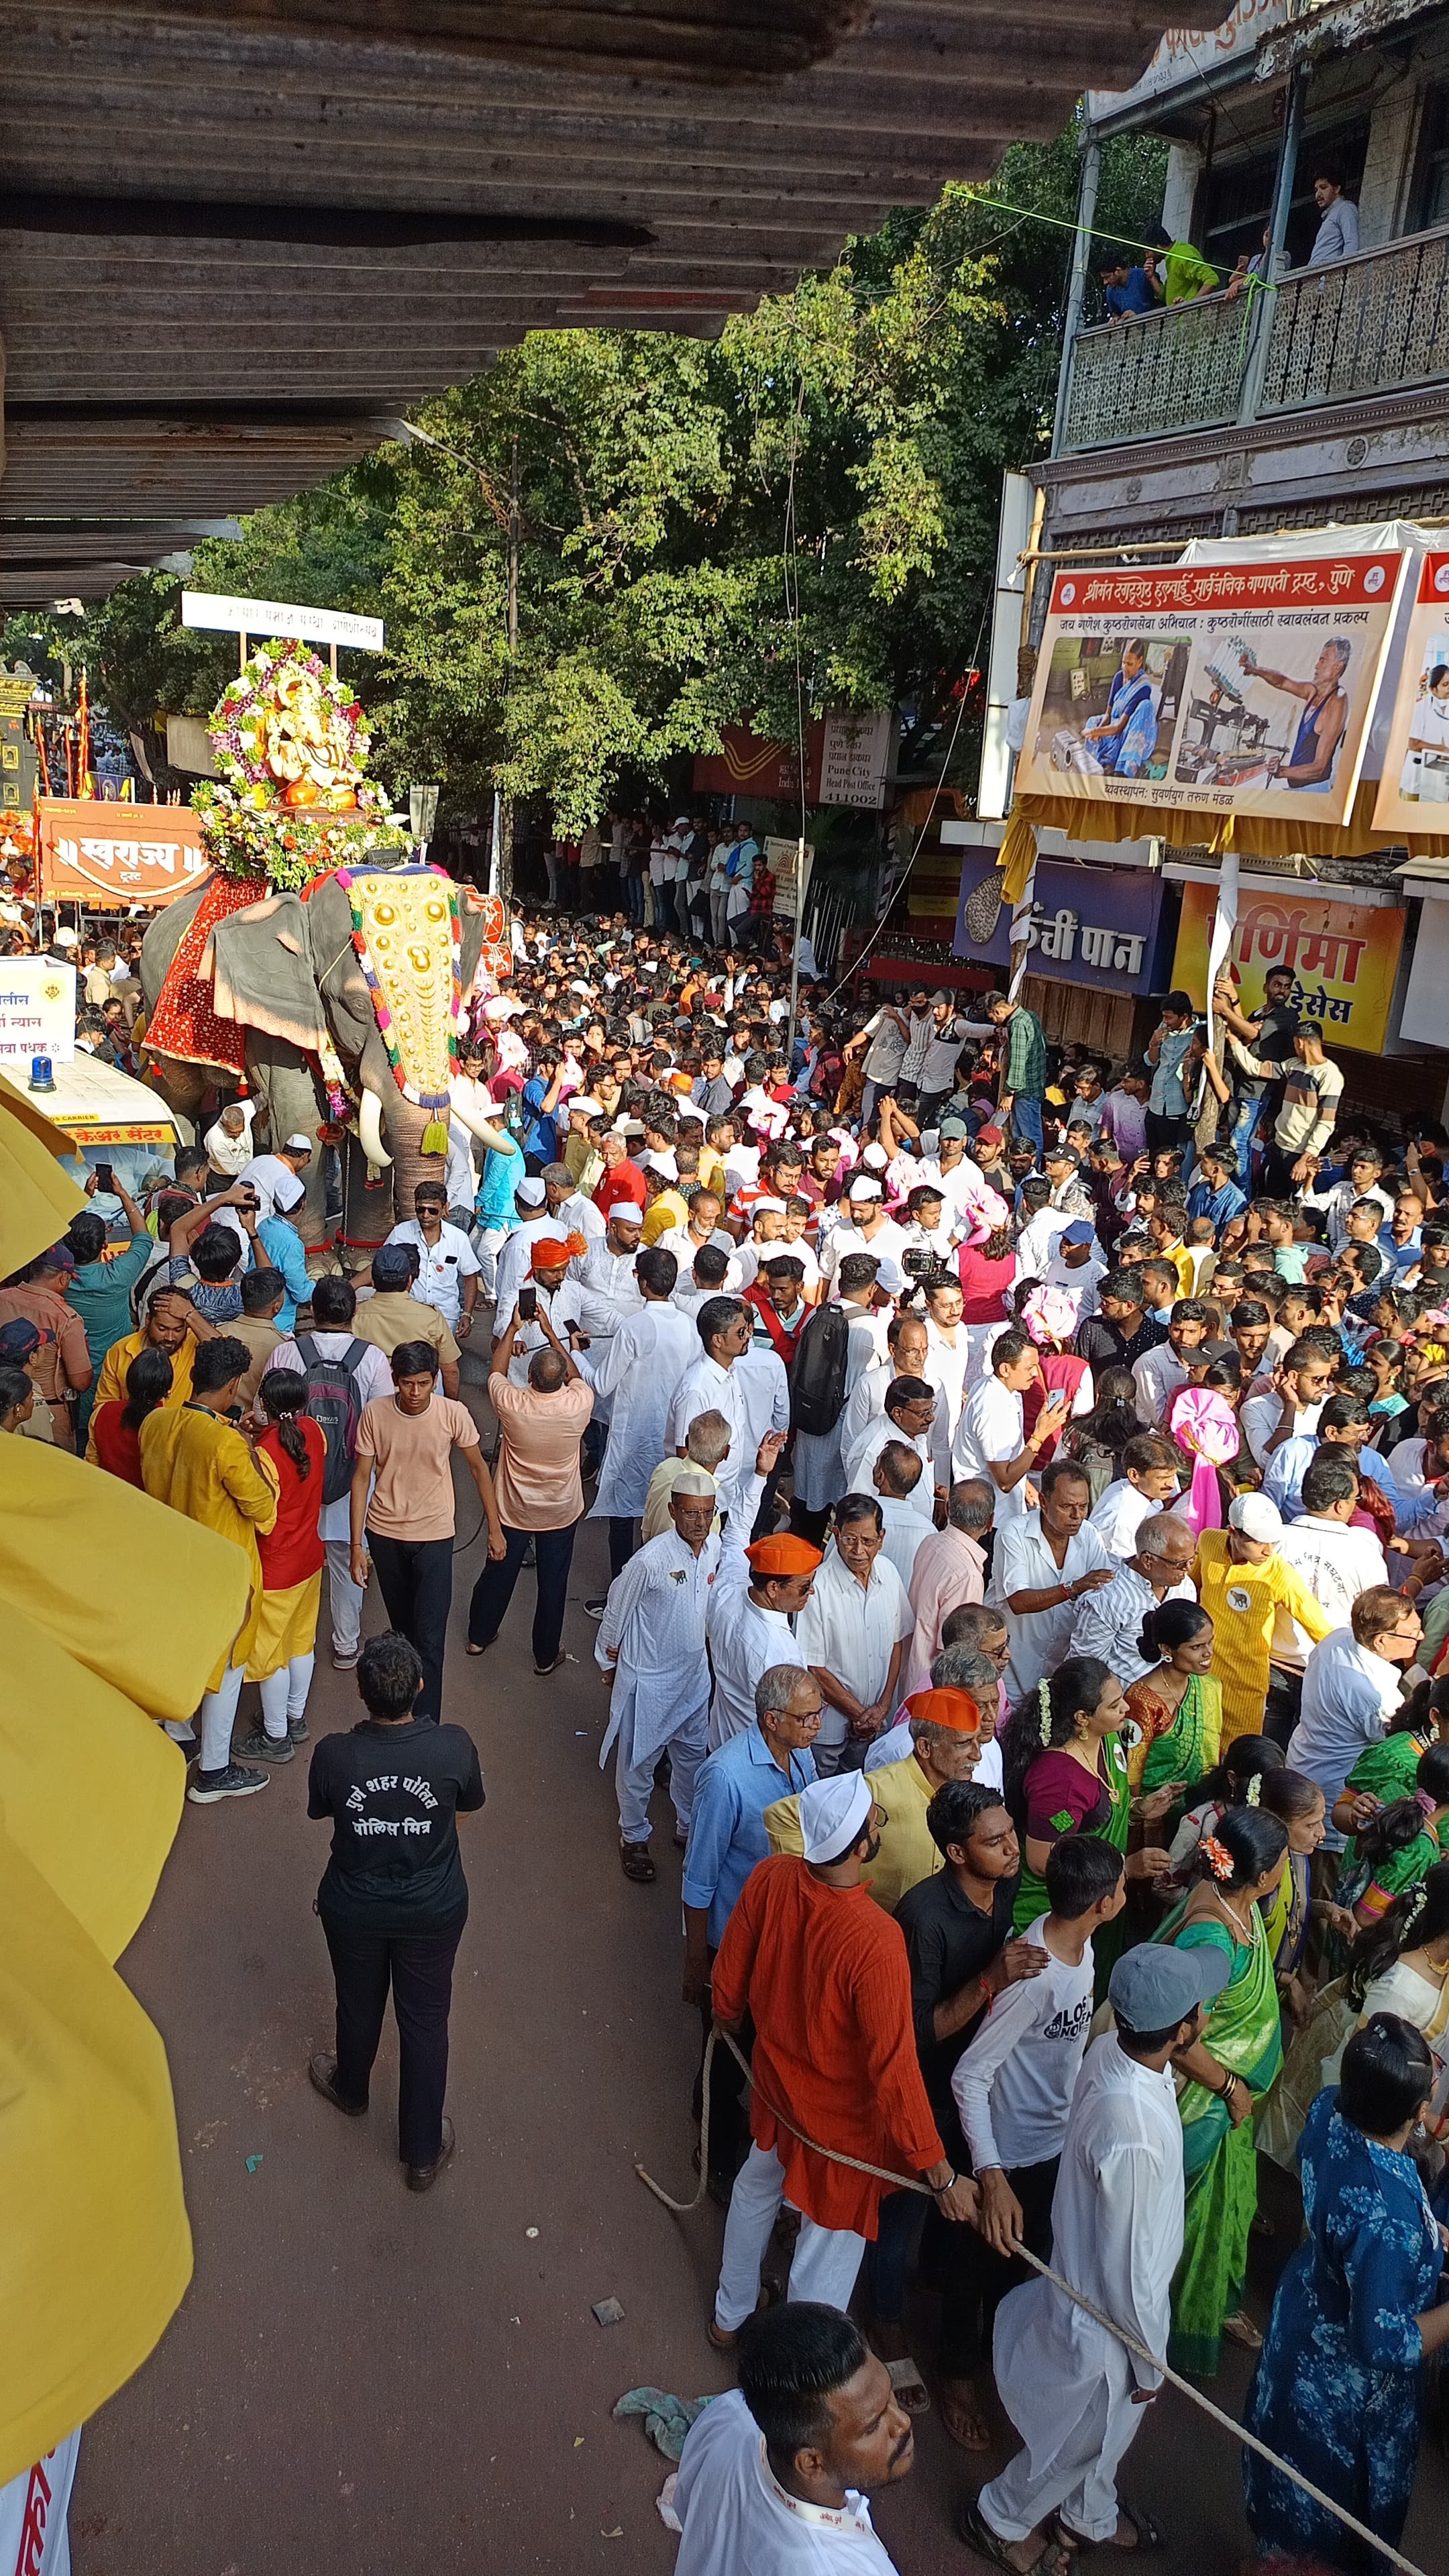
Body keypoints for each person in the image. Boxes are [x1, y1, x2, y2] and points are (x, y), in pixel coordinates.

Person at [964, 1941, 1231, 2570]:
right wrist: (1148, 2360)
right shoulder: (1132, 2131)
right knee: (1080, 2439)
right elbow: (1129, 2271)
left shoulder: (1114, 2049)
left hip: (1089, 2285)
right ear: (1183, 2031)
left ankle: (1087, 2515)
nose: (1208, 2011)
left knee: (1105, 2435)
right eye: (1201, 2006)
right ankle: (998, 2519)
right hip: (1112, 2324)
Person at [708, 1771, 977, 2347]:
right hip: (841, 2133)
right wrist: (939, 2170)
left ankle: (729, 2318)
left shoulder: (772, 1875)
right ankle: (798, 2376)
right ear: (860, 1846)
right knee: (825, 2252)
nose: (880, 1825)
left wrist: (726, 2013)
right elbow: (894, 2070)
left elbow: (730, 1971)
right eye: (876, 1820)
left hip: (775, 2092)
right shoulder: (875, 1939)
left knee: (755, 2191)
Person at [1244, 2016, 1449, 2573]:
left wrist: (1430, 2233)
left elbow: (1359, 2214)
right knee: (1326, 2519)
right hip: (1343, 2386)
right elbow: (1383, 2344)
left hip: (1304, 2313)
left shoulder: (1329, 2109)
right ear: (1418, 2113)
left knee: (1282, 2470)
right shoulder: (1389, 2221)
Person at [305, 1632, 484, 2192]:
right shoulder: (454, 1747)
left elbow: (322, 1811)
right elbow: (466, 1807)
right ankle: (422, 2153)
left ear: (361, 1692)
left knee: (357, 2002)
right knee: (425, 2021)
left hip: (354, 1905)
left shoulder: (334, 1755)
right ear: (420, 1687)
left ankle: (351, 2089)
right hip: (434, 1907)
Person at [1153, 1803, 1291, 2373]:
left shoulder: (1234, 1900)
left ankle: (1218, 2306)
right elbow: (1178, 2038)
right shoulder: (1213, 1938)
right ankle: (1176, 2325)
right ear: (1262, 1875)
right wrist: (1233, 2086)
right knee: (1193, 2227)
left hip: (1227, 2108)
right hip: (1204, 2106)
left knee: (1228, 2210)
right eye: (1284, 1860)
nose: (1288, 1868)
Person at [682, 1663, 822, 2196]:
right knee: (725, 2045)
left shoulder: (802, 1758)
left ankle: (715, 2111)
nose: (816, 1726)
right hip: (733, 1942)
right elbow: (699, 1878)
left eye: (817, 1715)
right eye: (806, 1717)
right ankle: (714, 2153)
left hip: (780, 1935)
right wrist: (698, 1962)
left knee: (756, 2044)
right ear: (772, 1720)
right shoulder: (725, 1777)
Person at [672, 2303, 914, 2576]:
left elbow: (685, 2504)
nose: (903, 2422)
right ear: (812, 2463)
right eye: (873, 2426)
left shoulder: (730, 2415)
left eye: (889, 2394)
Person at [140, 1333, 280, 1805]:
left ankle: (179, 1733)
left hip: (171, 1561)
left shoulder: (156, 1422)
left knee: (180, 1650)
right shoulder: (225, 1442)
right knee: (228, 1666)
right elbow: (264, 1510)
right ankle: (215, 1770)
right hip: (224, 1571)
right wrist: (252, 1450)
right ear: (234, 1384)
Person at [350, 1341, 503, 1722]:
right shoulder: (375, 1413)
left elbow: (479, 1469)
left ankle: (427, 1724)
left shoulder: (453, 1414)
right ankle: (400, 1716)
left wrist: (495, 1528)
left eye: (423, 1383)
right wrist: (356, 1545)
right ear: (395, 1380)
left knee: (431, 1639)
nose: (415, 1392)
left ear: (435, 1380)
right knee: (403, 1634)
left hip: (435, 1536)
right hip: (384, 1534)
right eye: (407, 1383)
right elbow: (361, 1478)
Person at [594, 1470, 724, 1881]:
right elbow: (617, 1609)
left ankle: (688, 1825)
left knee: (691, 1761)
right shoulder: (649, 1561)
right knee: (638, 1765)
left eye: (707, 1513)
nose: (700, 1522)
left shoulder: (714, 1548)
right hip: (649, 1683)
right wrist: (610, 1664)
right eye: (690, 1513)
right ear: (673, 1511)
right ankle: (633, 1836)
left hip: (694, 1681)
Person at [262, 1275, 394, 1672]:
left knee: (289, 1562)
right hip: (350, 1483)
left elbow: (263, 1415)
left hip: (293, 1482)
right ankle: (346, 1645)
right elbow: (381, 1426)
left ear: (312, 1310)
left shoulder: (286, 1354)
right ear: (354, 1313)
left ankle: (285, 1648)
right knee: (346, 1560)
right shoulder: (372, 1358)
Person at [1003, 1656, 1171, 1944]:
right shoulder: (1060, 1782)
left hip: (1102, 1896)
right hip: (1058, 1916)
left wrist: (1135, 1810)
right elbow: (1044, 1862)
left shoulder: (1107, 1738)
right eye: (1114, 1705)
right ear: (1083, 1718)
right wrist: (1125, 1868)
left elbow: (1102, 1806)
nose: (1126, 1708)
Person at [467, 1301, 594, 1676]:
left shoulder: (514, 1404)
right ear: (560, 1380)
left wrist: (513, 1329)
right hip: (560, 1511)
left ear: (531, 1380)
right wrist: (552, 1332)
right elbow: (576, 1377)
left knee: (498, 1573)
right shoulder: (579, 1403)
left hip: (514, 1509)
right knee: (553, 1585)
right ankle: (544, 1656)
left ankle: (478, 1636)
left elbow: (496, 1370)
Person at [580, 1243, 695, 1589]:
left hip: (634, 1435)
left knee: (623, 1515)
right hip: (672, 1436)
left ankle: (621, 1590)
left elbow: (602, 1384)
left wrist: (574, 1354)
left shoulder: (635, 1327)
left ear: (642, 1282)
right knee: (661, 1514)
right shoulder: (689, 1326)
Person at [1191, 1491, 1332, 1746]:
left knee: (1237, 1756)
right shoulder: (1209, 1540)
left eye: (1273, 1542)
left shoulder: (1280, 1574)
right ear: (1233, 1532)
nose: (1268, 1551)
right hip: (1200, 1673)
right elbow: (1191, 1585)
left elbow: (1319, 1628)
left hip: (1244, 1686)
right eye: (1258, 1542)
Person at [793, 1494, 914, 1777]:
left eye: (868, 1541)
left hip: (876, 1721)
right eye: (850, 1540)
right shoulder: (819, 1587)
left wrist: (883, 1706)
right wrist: (860, 1715)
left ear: (881, 1539)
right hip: (829, 1729)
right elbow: (814, 1667)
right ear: (836, 1535)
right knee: (822, 1786)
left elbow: (897, 1642)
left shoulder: (889, 1573)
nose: (859, 1550)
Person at [1065, 1507, 1197, 1688]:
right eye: (1180, 1563)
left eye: (1192, 1560)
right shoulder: (1108, 1598)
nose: (1188, 1569)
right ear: (1148, 1560)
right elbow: (1085, 1669)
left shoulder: (1185, 1587)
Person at [901, 1478, 993, 1693]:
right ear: (990, 1523)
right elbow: (954, 1650)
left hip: (911, 1671)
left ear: (948, 1508)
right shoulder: (967, 1575)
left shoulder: (931, 1542)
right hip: (933, 1686)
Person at [1122, 1599, 1221, 1799]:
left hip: (1202, 1799)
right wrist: (1140, 1809)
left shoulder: (1210, 1685)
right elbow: (1132, 1772)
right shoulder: (1141, 1701)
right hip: (1157, 1806)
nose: (1208, 1652)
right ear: (1167, 1650)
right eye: (1197, 1647)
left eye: (1210, 1642)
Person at [351, 1243, 463, 1394]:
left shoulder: (355, 1315)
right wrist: (449, 1405)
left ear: (373, 1282)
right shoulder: (431, 1316)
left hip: (368, 1397)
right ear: (409, 1281)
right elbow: (450, 1370)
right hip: (419, 1400)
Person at [384, 1180, 482, 1342]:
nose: (425, 1215)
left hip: (445, 1318)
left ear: (445, 1208)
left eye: (433, 1211)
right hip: (407, 1316)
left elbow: (470, 1277)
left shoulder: (458, 1238)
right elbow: (381, 1267)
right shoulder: (400, 1233)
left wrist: (467, 1314)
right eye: (420, 1209)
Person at [87, 1344, 174, 1487]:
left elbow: (91, 1464)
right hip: (146, 1499)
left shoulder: (102, 1412)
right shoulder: (170, 1424)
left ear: (129, 1381)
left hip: (106, 1492)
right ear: (168, 1389)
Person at [985, 989, 1046, 1156]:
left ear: (997, 1011)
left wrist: (1009, 1093)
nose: (995, 1022)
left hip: (1025, 1089)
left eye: (993, 1018)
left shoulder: (1018, 1024)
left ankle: (1032, 1168)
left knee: (1030, 1139)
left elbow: (1018, 1061)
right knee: (1021, 1137)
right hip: (1034, 1086)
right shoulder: (1030, 1016)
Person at [1307, 164, 1360, 266]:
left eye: (1323, 188)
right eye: (1316, 190)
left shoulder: (1345, 208)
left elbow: (1352, 244)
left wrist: (1344, 271)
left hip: (1330, 274)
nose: (1318, 194)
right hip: (1317, 273)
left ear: (1337, 189)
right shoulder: (1330, 215)